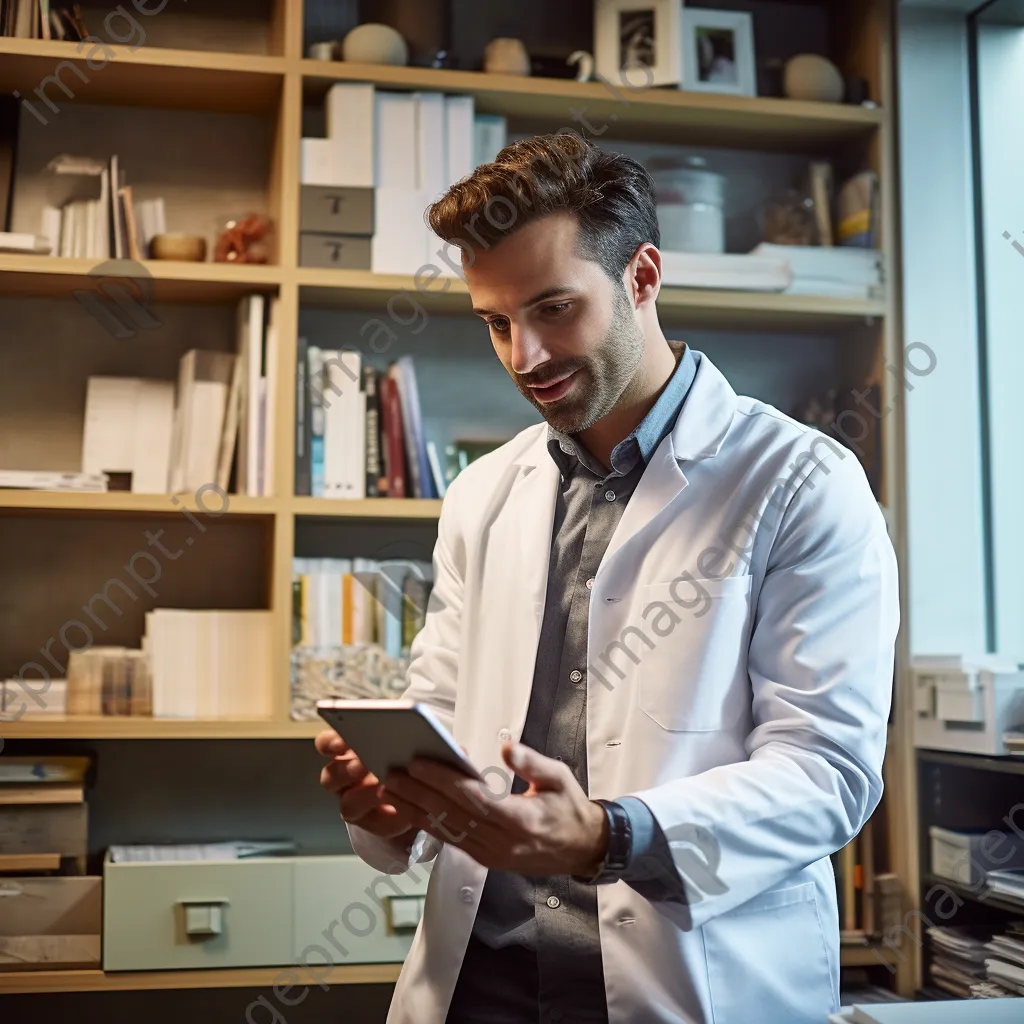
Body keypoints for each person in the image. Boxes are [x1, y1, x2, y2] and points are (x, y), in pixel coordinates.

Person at [316, 133, 899, 1024]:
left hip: (692, 984)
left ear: (641, 276)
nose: (525, 356)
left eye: (555, 308)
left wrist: (606, 834)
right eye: (496, 322)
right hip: (481, 988)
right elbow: (440, 714)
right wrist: (394, 804)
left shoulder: (802, 482)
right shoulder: (483, 493)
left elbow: (827, 773)